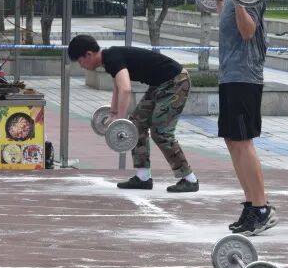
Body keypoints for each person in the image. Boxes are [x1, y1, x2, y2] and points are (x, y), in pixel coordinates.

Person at [68, 34, 199, 192]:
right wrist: (113, 113)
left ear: (88, 54)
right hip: (159, 84)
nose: (82, 66)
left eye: (80, 61)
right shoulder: (109, 59)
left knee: (161, 132)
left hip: (176, 82)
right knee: (136, 126)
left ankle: (189, 179)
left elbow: (126, 89)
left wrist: (119, 121)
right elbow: (118, 87)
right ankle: (143, 177)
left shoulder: (112, 58)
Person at [216, 0, 280, 235]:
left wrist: (238, 0)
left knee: (243, 142)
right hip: (231, 74)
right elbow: (231, 27)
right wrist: (223, 1)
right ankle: (251, 204)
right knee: (233, 141)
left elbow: (247, 31)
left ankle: (262, 207)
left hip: (244, 75)